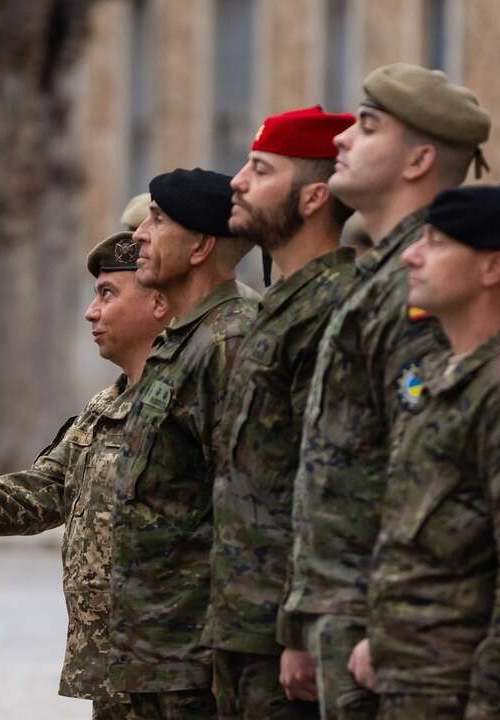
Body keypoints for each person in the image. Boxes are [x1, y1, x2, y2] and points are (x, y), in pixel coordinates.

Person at [280, 63, 491, 719]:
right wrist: (305, 620)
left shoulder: (422, 290)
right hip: (346, 621)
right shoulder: (382, 277)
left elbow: (432, 473)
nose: (342, 139)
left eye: (367, 128)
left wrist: (389, 622)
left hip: (386, 635)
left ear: (420, 159)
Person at [0, 206, 166, 719]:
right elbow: (45, 488)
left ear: (159, 303)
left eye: (108, 295)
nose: (91, 312)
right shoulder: (106, 405)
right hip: (114, 668)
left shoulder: (185, 399)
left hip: (171, 663)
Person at [359, 186, 500, 719]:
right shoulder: (444, 375)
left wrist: (495, 706)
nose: (411, 254)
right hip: (408, 688)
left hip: (458, 697)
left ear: (492, 268)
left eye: (435, 243)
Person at [205, 106, 356, 719]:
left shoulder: (331, 308)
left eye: (261, 169)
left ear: (315, 196)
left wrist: (301, 628)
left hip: (282, 636)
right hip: (243, 623)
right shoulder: (277, 305)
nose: (237, 180)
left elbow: (327, 481)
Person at [109, 169, 257, 718]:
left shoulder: (230, 340)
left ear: (200, 246)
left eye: (158, 220)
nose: (140, 234)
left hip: (197, 662)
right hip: (154, 654)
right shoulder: (184, 338)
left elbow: (247, 502)